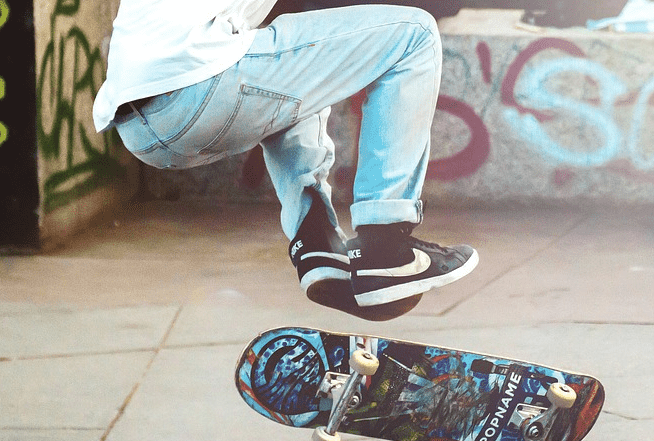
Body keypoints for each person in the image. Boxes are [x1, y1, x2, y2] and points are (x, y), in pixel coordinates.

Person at [92, 0, 478, 320]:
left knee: (297, 61)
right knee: (415, 33)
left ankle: (316, 242)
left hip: (141, 124)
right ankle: (385, 243)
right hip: (199, 85)